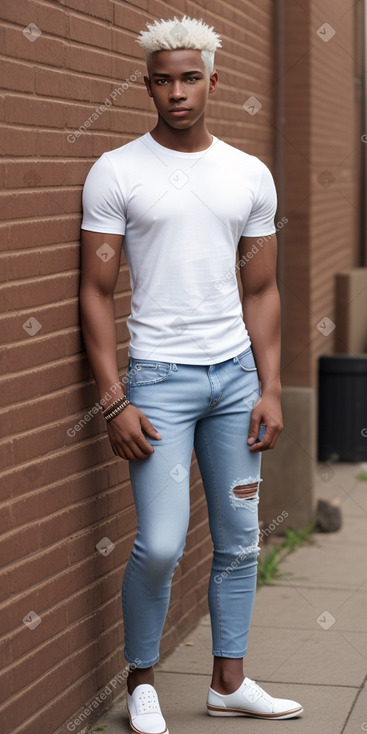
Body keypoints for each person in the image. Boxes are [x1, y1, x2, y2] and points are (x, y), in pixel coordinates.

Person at [79, 15, 303, 734]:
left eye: (189, 77)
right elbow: (94, 290)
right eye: (163, 79)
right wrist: (113, 400)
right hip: (160, 384)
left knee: (240, 539)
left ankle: (227, 682)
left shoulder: (247, 173)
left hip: (235, 380)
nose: (176, 91)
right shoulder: (117, 170)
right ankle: (141, 680)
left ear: (212, 81)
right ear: (147, 84)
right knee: (164, 542)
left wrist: (268, 386)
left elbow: (262, 290)